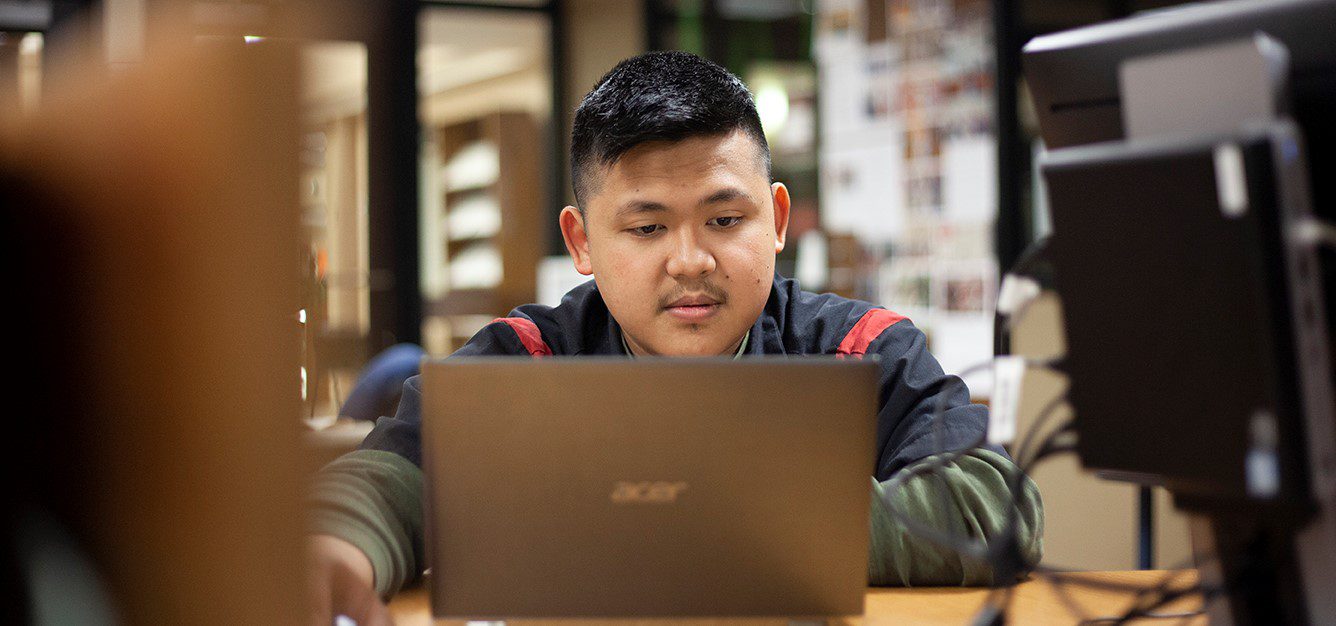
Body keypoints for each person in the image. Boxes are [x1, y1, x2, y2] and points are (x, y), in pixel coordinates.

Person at [306, 50, 1043, 625]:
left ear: (778, 221)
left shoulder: (861, 351)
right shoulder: (530, 358)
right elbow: (392, 477)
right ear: (583, 241)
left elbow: (992, 503)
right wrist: (336, 544)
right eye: (647, 227)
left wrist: (701, 527)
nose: (690, 260)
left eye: (726, 220)